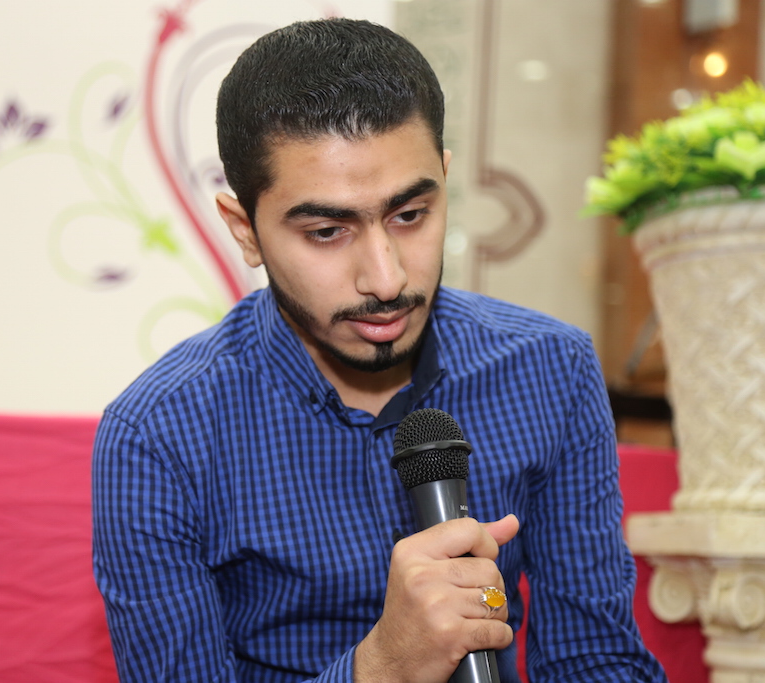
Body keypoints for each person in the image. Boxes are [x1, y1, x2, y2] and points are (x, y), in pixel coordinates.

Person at [92, 17, 666, 683]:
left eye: (410, 215)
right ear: (245, 230)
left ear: (444, 179)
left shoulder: (549, 369)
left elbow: (596, 661)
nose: (387, 280)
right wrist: (385, 664)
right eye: (327, 231)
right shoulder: (157, 434)